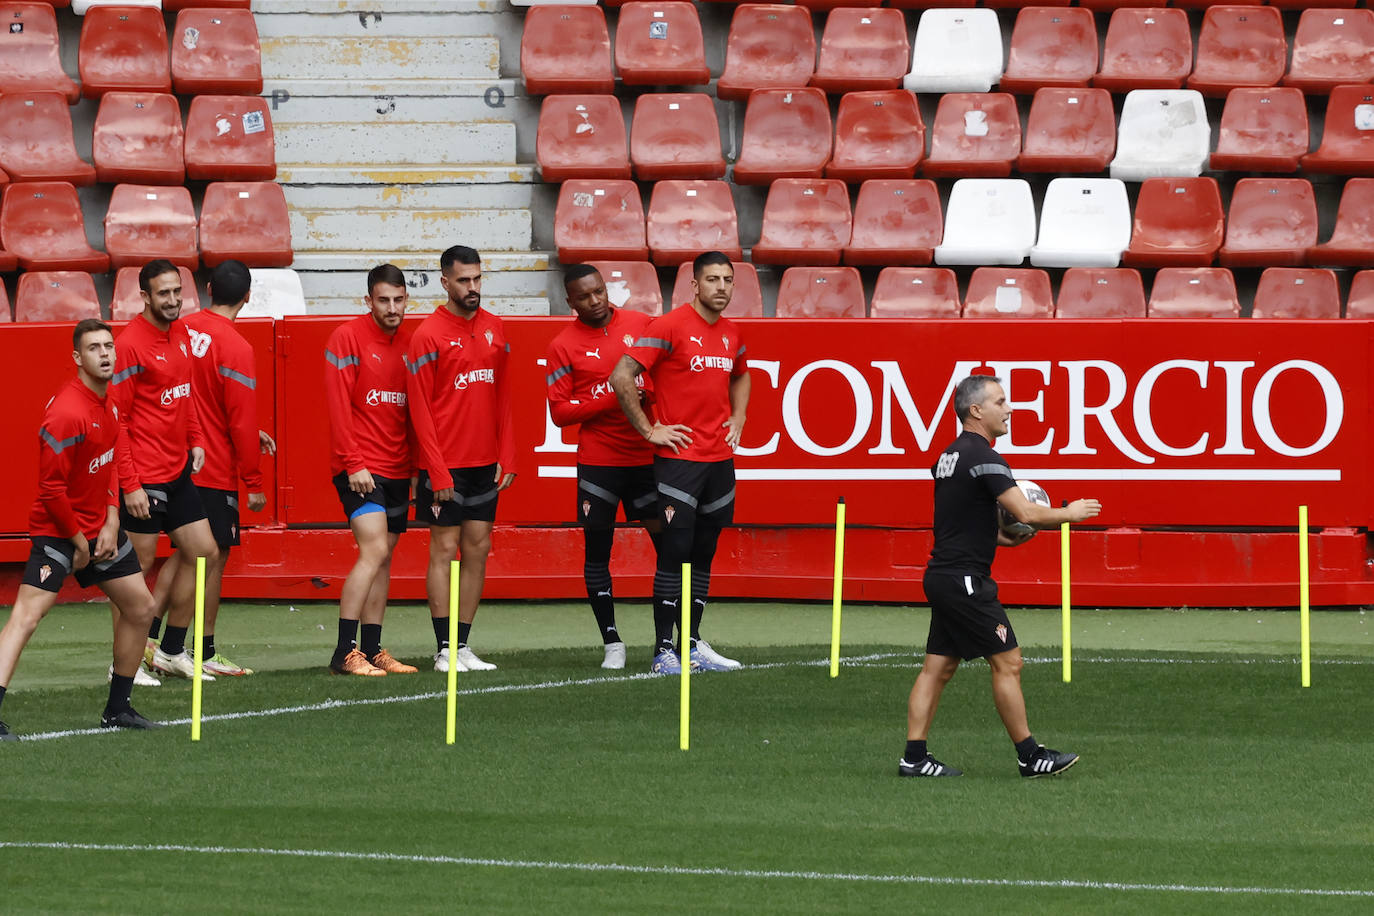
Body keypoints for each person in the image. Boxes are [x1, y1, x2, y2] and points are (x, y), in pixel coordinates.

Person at [900, 374, 1101, 779]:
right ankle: (1030, 756)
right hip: (966, 582)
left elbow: (964, 523)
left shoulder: (948, 457)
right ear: (976, 410)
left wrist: (1008, 540)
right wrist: (1069, 514)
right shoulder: (984, 457)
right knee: (1008, 662)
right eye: (1001, 401)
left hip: (943, 574)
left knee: (937, 668)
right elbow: (1024, 511)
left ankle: (914, 758)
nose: (1009, 409)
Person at [0, 320, 161, 739]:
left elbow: (108, 465)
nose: (105, 354)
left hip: (99, 532)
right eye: (94, 348)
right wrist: (77, 542)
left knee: (141, 608)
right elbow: (51, 490)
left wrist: (110, 519)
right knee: (26, 619)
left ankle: (118, 709)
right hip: (58, 534)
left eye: (109, 346)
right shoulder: (66, 413)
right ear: (77, 358)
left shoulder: (109, 405)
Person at [609, 251, 750, 674]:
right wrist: (649, 430)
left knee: (704, 554)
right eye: (712, 280)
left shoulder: (732, 332)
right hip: (679, 463)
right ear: (694, 284)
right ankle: (662, 651)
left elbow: (741, 373)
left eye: (727, 279)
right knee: (675, 552)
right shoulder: (669, 326)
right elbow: (621, 375)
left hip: (719, 461)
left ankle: (691, 644)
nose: (721, 287)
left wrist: (739, 416)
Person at [148, 260, 276, 677]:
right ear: (247, 297)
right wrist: (253, 480)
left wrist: (246, 430)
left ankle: (149, 640)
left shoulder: (181, 328)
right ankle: (193, 650)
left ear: (205, 289)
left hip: (177, 459)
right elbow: (237, 417)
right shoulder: (238, 347)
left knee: (185, 556)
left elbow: (194, 396)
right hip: (215, 467)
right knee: (210, 558)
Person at [406, 246, 515, 673]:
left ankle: (463, 646)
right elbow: (419, 409)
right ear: (445, 282)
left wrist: (507, 453)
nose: (473, 288)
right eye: (464, 281)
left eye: (478, 279)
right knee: (444, 548)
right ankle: (443, 649)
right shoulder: (428, 335)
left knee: (477, 549)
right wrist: (436, 469)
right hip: (444, 467)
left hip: (484, 465)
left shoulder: (495, 328)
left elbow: (503, 395)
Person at [111, 259, 220, 682]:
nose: (173, 300)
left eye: (177, 292)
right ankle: (122, 662)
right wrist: (131, 483)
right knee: (134, 570)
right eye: (164, 293)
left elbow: (185, 394)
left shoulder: (181, 333)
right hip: (144, 474)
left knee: (204, 552)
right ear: (144, 296)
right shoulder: (131, 344)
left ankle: (171, 650)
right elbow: (116, 421)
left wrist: (195, 439)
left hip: (176, 473)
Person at [545, 265, 658, 669]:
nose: (595, 301)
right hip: (600, 462)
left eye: (599, 292)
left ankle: (673, 641)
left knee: (671, 545)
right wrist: (616, 397)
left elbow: (665, 377)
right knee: (598, 551)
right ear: (569, 301)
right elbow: (559, 412)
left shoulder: (642, 324)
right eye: (585, 296)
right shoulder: (563, 345)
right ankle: (612, 642)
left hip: (648, 457)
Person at [323, 263, 418, 676]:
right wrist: (354, 462)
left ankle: (374, 649)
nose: (392, 307)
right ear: (368, 301)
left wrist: (415, 468)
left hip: (399, 468)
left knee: (385, 558)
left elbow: (414, 415)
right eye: (384, 300)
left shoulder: (411, 345)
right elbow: (338, 405)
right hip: (361, 469)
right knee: (374, 550)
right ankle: (345, 651)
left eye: (398, 300)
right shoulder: (347, 337)